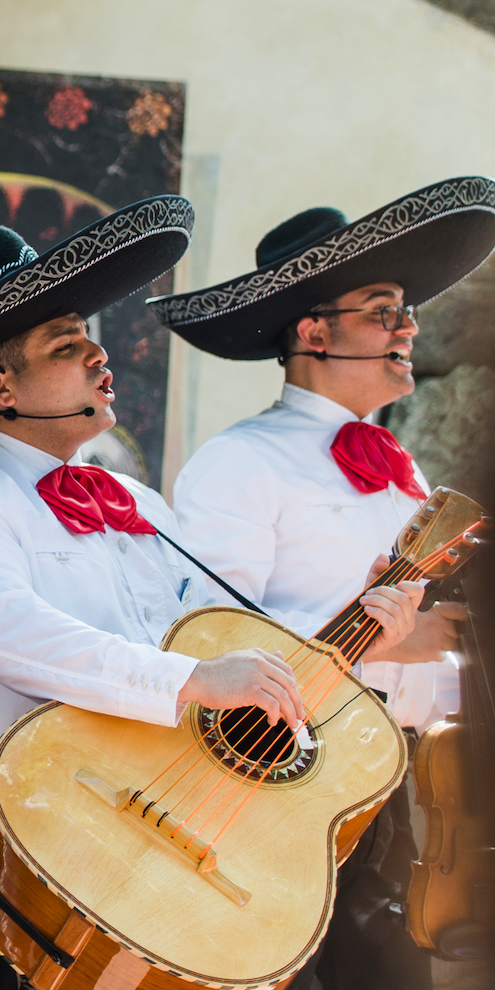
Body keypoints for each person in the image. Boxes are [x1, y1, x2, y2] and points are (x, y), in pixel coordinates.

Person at [0, 197, 428, 990]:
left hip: (155, 816)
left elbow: (220, 632)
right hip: (46, 829)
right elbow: (15, 634)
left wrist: (354, 621)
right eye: (69, 347)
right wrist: (191, 681)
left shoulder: (136, 503)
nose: (102, 360)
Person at [153, 176, 495, 990]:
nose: (408, 327)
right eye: (383, 311)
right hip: (285, 794)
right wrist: (381, 647)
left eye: (405, 311)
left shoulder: (403, 473)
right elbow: (212, 642)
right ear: (313, 332)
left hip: (398, 790)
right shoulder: (239, 464)